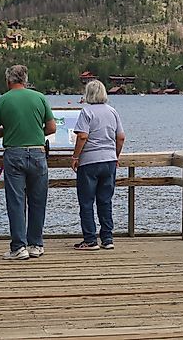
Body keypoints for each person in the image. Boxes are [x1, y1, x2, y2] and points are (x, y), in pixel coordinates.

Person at [0, 64, 55, 260]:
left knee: (16, 202)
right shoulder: (40, 97)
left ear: (8, 80)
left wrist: (8, 131)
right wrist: (34, 131)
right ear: (25, 80)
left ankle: (19, 247)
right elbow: (51, 128)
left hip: (14, 154)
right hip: (37, 153)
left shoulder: (3, 100)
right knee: (38, 200)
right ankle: (36, 244)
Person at [71, 79, 125, 251]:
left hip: (89, 162)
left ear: (88, 94)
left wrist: (75, 157)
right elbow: (121, 137)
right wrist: (115, 155)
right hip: (109, 161)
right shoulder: (112, 111)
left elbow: (82, 137)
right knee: (105, 201)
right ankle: (107, 238)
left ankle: (90, 239)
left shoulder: (86, 112)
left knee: (86, 202)